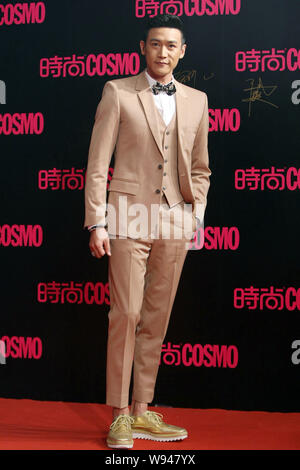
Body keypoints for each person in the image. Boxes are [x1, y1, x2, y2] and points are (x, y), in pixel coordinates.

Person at [84, 14, 211, 449]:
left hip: (176, 219)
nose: (163, 52)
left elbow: (200, 167)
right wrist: (97, 221)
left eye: (171, 45)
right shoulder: (117, 92)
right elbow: (98, 163)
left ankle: (142, 410)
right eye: (156, 44)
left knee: (156, 318)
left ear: (182, 51)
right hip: (126, 216)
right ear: (144, 47)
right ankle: (119, 416)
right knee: (127, 314)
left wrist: (195, 215)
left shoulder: (198, 100)